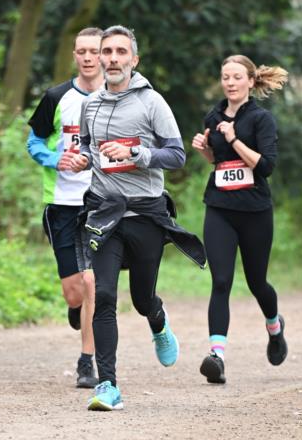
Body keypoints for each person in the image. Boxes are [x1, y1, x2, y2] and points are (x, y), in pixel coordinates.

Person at [66, 25, 205, 411]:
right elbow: (89, 152)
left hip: (144, 214)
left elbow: (176, 156)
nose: (111, 59)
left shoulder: (152, 103)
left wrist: (137, 155)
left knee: (142, 298)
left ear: (133, 60)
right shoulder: (89, 105)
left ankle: (157, 320)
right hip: (105, 214)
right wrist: (79, 161)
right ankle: (107, 384)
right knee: (104, 294)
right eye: (106, 51)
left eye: (120, 52)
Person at [191, 55, 289, 385]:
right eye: (225, 77)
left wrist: (233, 139)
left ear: (250, 81)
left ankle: (275, 327)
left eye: (236, 77)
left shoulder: (262, 120)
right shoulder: (213, 116)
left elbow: (265, 167)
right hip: (219, 207)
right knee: (221, 281)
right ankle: (216, 357)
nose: (230, 83)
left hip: (255, 212)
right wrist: (204, 149)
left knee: (257, 282)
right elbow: (218, 162)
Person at [27, 27, 104, 388]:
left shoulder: (118, 98)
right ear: (74, 55)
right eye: (81, 51)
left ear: (105, 55)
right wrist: (55, 159)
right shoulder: (56, 96)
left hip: (101, 203)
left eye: (94, 51)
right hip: (61, 204)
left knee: (92, 282)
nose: (88, 58)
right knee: (74, 292)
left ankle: (87, 361)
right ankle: (75, 308)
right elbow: (34, 142)